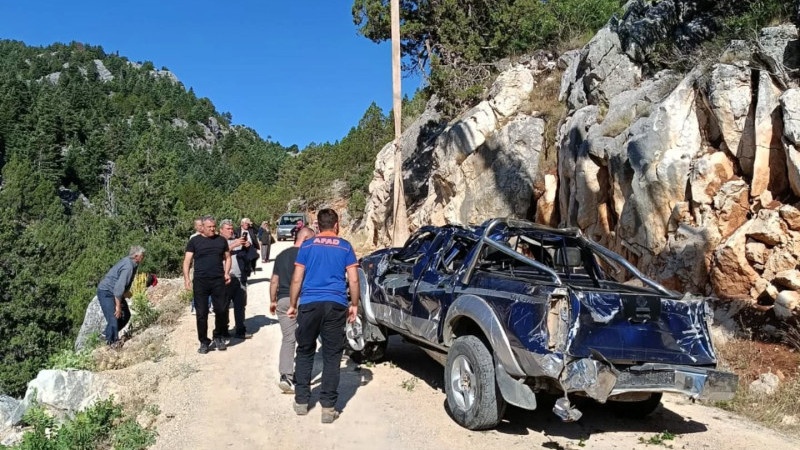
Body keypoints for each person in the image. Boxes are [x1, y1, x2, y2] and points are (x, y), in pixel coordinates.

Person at [288, 208, 359, 423]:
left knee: (305, 350)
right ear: (336, 224)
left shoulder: (308, 245)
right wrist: (353, 305)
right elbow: (354, 280)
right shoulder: (345, 246)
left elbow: (297, 278)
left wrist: (293, 304)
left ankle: (301, 401)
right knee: (331, 354)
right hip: (336, 304)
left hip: (309, 304)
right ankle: (328, 407)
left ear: (317, 226)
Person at [269, 226, 315, 393]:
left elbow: (274, 281)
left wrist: (273, 301)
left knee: (288, 338)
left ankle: (286, 376)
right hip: (304, 300)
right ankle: (303, 377)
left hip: (282, 300)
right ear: (306, 239)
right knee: (307, 338)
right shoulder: (309, 255)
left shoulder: (281, 256)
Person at [183, 215, 231, 354]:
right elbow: (187, 261)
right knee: (201, 313)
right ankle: (204, 341)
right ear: (202, 227)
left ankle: (219, 336)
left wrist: (226, 273)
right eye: (209, 227)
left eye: (214, 227)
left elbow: (227, 258)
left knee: (221, 309)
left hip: (218, 280)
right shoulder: (194, 241)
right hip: (201, 281)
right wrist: (187, 279)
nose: (212, 229)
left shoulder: (221, 240)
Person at [97, 246, 145, 348]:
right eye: (142, 255)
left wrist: (128, 293)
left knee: (125, 315)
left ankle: (106, 334)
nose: (143, 257)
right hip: (106, 292)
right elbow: (118, 289)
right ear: (136, 256)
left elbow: (122, 286)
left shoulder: (133, 263)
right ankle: (113, 343)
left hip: (114, 292)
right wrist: (118, 307)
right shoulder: (128, 266)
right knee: (115, 316)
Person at [220, 219, 253, 340]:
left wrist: (248, 247)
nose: (231, 231)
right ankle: (224, 330)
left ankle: (240, 329)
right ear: (221, 230)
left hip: (240, 278)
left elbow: (252, 256)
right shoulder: (218, 242)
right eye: (228, 229)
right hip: (225, 279)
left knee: (240, 305)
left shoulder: (238, 240)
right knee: (224, 306)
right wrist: (234, 245)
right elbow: (219, 253)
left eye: (231, 228)